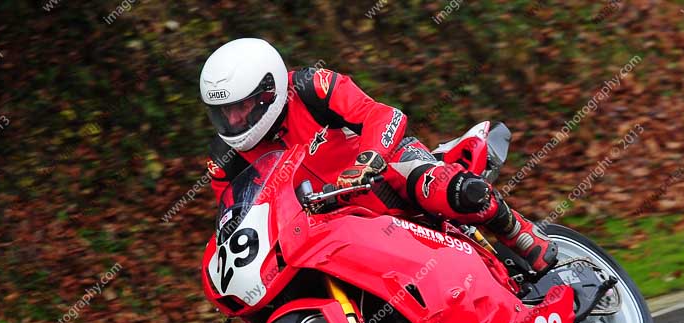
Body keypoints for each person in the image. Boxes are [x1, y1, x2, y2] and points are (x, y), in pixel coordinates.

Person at [200, 38, 557, 275]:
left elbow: (384, 115)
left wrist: (368, 160)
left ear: (269, 89)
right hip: (327, 224)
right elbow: (236, 212)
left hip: (385, 171)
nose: (234, 120)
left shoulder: (310, 87)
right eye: (224, 112)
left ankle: (520, 234)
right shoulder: (226, 158)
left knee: (440, 187)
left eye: (242, 107)